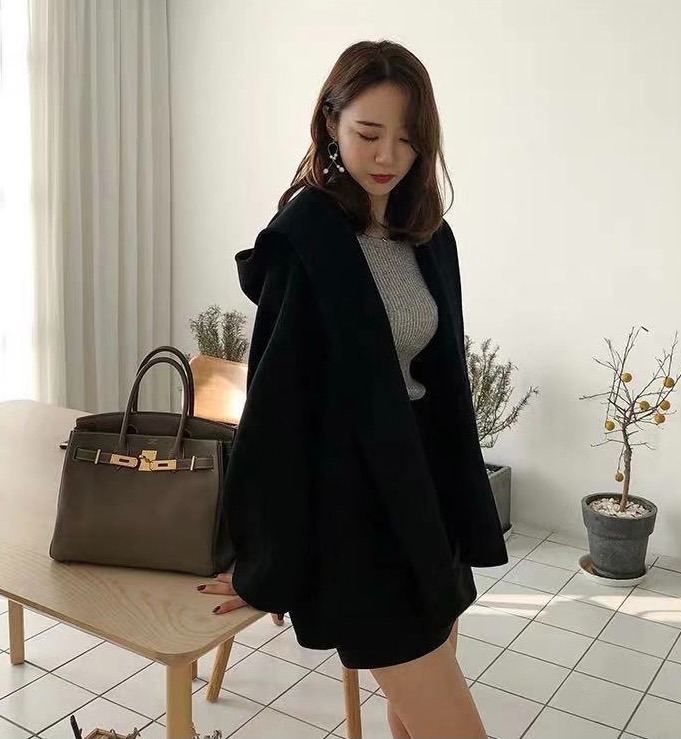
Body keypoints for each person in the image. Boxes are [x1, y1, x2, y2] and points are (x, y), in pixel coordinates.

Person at [196, 40, 508, 739]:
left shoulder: (427, 236)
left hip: (427, 503)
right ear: (330, 123)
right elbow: (277, 409)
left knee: (414, 718)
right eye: (369, 133)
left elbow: (444, 385)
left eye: (407, 138)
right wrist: (259, 558)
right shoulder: (306, 240)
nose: (388, 155)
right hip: (358, 516)